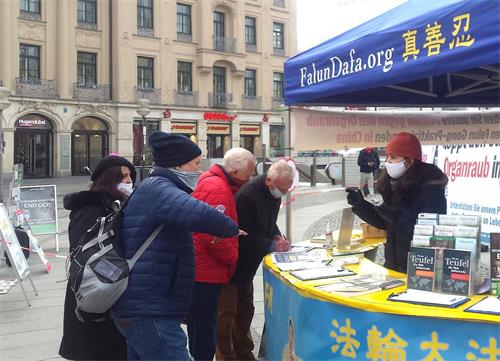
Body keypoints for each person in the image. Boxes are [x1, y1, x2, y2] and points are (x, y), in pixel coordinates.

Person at [112, 131, 245, 361]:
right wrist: (230, 228)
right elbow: (197, 212)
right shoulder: (159, 189)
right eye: (195, 164)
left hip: (145, 305)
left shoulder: (156, 187)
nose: (200, 170)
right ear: (178, 164)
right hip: (150, 309)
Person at [59, 154, 136, 360]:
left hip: (109, 288)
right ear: (110, 179)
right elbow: (83, 251)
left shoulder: (117, 204)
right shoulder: (90, 208)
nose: (130, 181)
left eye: (130, 175)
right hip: (94, 288)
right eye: (124, 176)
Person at [216, 160, 294, 361]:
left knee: (246, 310)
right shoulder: (248, 196)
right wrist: (270, 245)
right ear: (269, 180)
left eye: (287, 189)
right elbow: (243, 233)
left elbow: (269, 222)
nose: (284, 193)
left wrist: (277, 236)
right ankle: (227, 355)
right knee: (227, 314)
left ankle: (244, 351)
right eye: (282, 189)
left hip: (248, 266)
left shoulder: (273, 192)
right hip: (233, 263)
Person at [188, 148, 257, 361]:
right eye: (248, 174)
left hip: (204, 267)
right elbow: (212, 236)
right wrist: (233, 257)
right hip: (208, 271)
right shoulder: (218, 189)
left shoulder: (217, 183)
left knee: (205, 325)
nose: (250, 179)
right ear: (235, 172)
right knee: (209, 326)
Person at [346, 132, 447, 272]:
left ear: (410, 161)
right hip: (392, 263)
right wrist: (360, 205)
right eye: (387, 156)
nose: (388, 161)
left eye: (393, 157)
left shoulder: (430, 189)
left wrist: (391, 214)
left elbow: (424, 236)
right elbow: (384, 224)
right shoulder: (392, 183)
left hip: (418, 268)